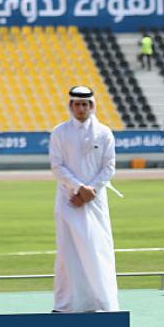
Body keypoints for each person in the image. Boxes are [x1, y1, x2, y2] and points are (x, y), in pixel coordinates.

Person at [50, 85, 119, 313]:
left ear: (92, 106)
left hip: (96, 202)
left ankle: (102, 303)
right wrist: (78, 188)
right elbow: (57, 166)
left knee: (98, 250)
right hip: (68, 201)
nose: (81, 108)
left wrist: (91, 190)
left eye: (85, 104)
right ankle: (68, 305)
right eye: (77, 104)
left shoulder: (104, 133)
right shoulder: (59, 132)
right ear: (70, 106)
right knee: (67, 253)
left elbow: (109, 167)